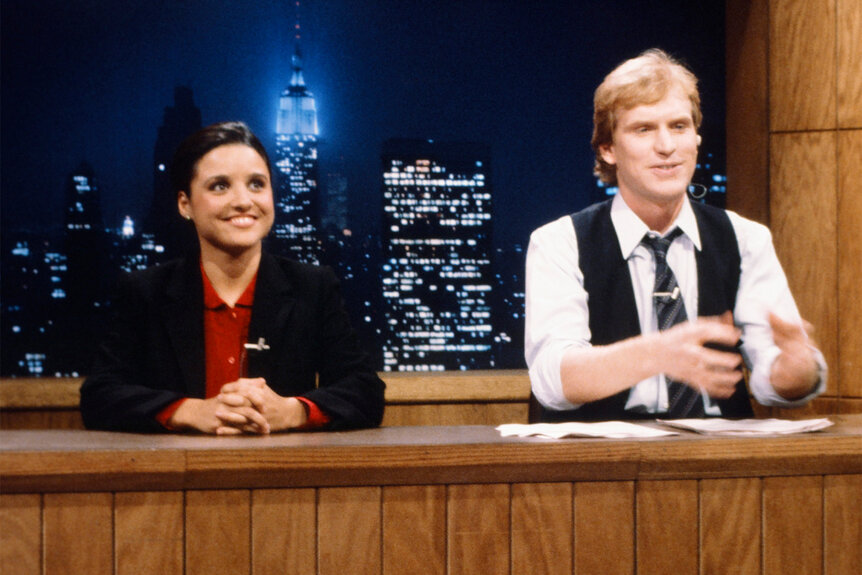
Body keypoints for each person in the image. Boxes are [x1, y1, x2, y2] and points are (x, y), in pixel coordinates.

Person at [525, 49, 825, 422]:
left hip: (719, 467)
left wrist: (795, 372)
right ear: (608, 149)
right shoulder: (560, 242)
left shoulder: (745, 238)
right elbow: (553, 380)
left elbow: (775, 381)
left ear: (696, 139)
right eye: (643, 129)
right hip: (593, 468)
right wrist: (658, 352)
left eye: (679, 126)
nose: (666, 146)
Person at [80, 121, 385, 433]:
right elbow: (99, 396)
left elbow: (366, 391)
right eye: (220, 186)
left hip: (281, 475)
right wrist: (190, 411)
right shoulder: (145, 292)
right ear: (185, 204)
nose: (243, 201)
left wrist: (292, 412)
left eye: (257, 184)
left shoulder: (312, 287)